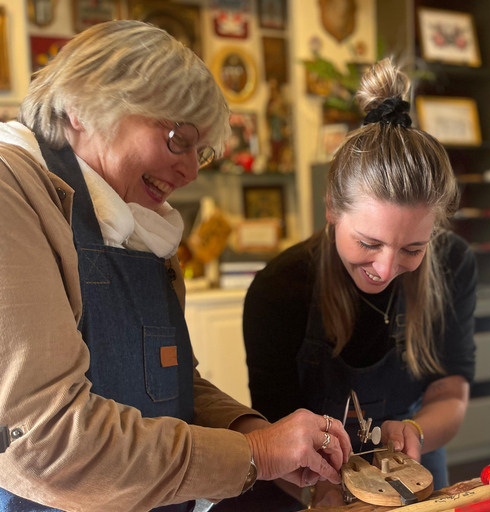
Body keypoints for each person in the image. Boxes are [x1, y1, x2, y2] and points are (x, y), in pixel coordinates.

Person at [0, 20, 351, 512]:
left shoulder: (138, 224)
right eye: (176, 139)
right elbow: (47, 443)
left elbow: (168, 387)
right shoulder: (10, 192)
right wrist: (254, 454)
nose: (189, 171)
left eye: (199, 150)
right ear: (82, 105)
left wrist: (255, 432)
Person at [242, 58, 478, 508]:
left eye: (412, 249)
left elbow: (451, 393)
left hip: (414, 469)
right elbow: (272, 434)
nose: (386, 270)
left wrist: (416, 431)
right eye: (368, 242)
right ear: (332, 206)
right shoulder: (279, 291)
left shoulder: (453, 265)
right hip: (309, 479)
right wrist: (323, 489)